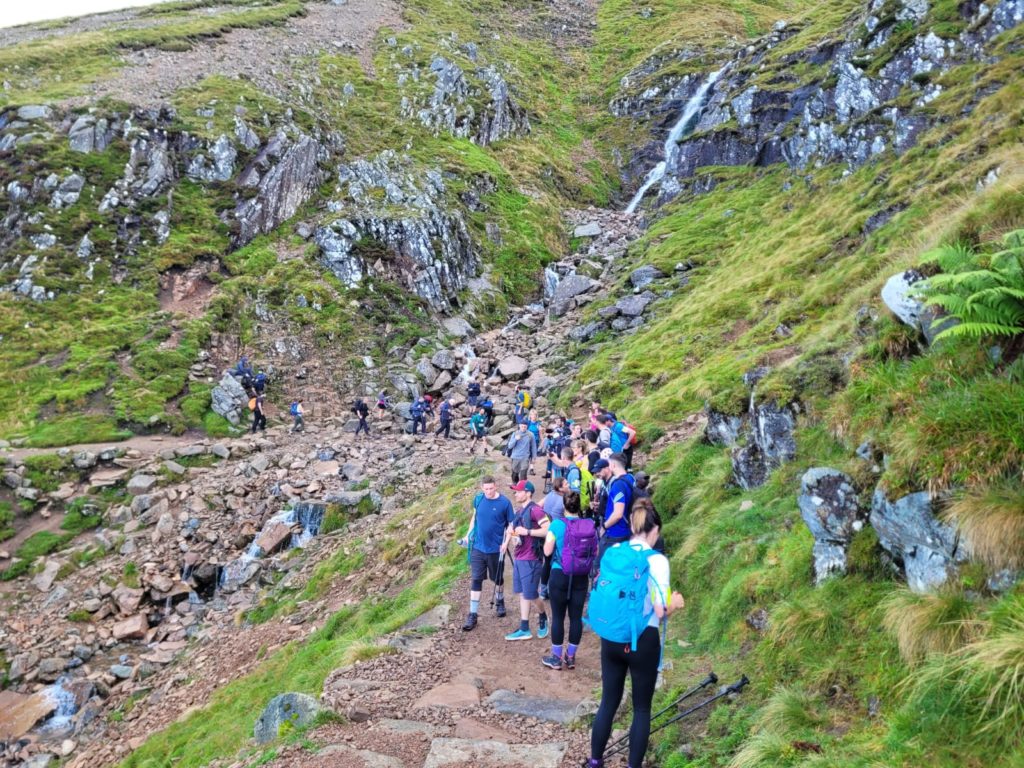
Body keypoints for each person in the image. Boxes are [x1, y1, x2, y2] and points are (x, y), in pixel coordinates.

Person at [587, 500, 683, 768]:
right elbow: (660, 609)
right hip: (642, 640)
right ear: (656, 530)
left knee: (608, 701)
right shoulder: (657, 560)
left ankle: (595, 761)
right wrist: (676, 602)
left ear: (631, 525)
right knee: (641, 708)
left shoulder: (616, 551)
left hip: (612, 637)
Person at [541, 491, 597, 670]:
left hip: (560, 574)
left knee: (558, 617)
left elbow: (547, 552)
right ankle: (571, 656)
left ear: (564, 507)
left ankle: (556, 658)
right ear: (579, 506)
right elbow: (594, 552)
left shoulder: (557, 525)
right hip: (580, 577)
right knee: (575, 617)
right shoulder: (589, 525)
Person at [462, 476, 515, 631]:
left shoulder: (505, 503)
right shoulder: (478, 500)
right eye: (486, 489)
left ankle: (500, 601)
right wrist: (468, 535)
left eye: (491, 488)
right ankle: (472, 614)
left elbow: (510, 525)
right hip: (478, 547)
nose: (489, 491)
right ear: (482, 488)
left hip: (495, 549)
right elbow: (474, 518)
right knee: (476, 579)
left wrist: (506, 543)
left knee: (497, 579)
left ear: (496, 486)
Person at [503, 480, 549, 641]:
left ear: (528, 493)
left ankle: (543, 615)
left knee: (531, 594)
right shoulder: (519, 511)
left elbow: (548, 530)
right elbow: (512, 528)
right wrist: (507, 540)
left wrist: (527, 531)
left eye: (518, 491)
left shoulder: (536, 510)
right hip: (520, 557)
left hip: (532, 558)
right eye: (515, 491)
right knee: (523, 593)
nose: (515, 494)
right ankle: (524, 628)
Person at [599, 453, 634, 563]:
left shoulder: (618, 485)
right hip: (629, 528)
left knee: (601, 565)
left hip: (615, 533)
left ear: (613, 465)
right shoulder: (631, 478)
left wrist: (604, 527)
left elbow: (618, 514)